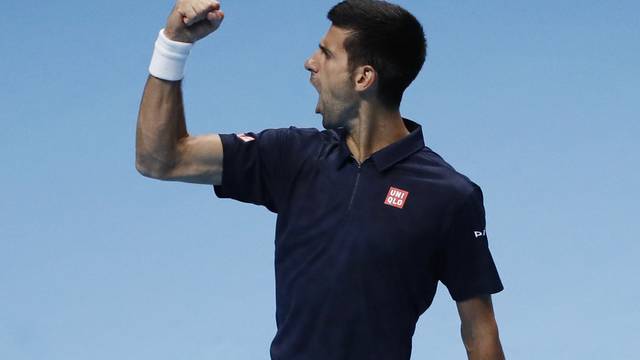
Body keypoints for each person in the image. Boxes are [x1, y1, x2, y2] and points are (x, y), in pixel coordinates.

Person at [136, 0, 506, 359]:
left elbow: (479, 332)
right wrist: (173, 44)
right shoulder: (292, 155)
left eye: (326, 54)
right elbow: (161, 159)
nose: (310, 64)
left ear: (363, 77)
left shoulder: (451, 197)